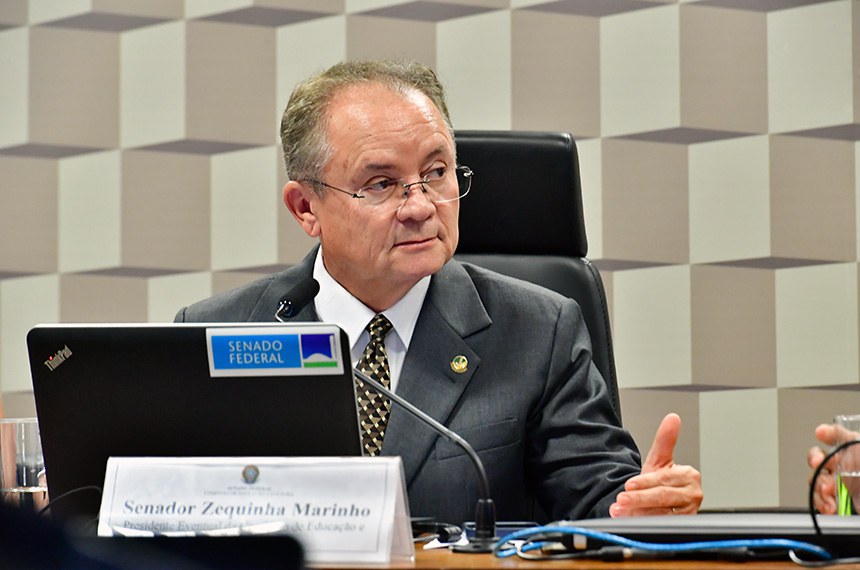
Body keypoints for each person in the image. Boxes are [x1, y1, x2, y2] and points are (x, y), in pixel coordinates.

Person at [175, 59, 703, 524]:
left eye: (436, 172)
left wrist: (641, 508)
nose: (421, 205)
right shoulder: (217, 333)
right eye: (381, 183)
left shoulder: (539, 332)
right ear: (306, 209)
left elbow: (599, 500)